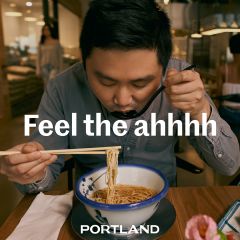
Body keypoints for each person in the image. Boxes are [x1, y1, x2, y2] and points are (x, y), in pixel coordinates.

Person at [0, 0, 239, 193]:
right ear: (84, 62)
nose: (123, 100)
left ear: (165, 67)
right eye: (106, 81)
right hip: (92, 204)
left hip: (162, 200)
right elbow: (43, 172)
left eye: (140, 82)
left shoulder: (181, 79)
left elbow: (229, 165)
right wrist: (31, 171)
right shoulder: (63, 87)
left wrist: (200, 113)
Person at [218, 33, 240, 142]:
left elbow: (218, 97)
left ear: (231, 50)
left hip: (226, 116)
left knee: (229, 146)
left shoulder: (223, 69)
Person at [36, 23, 63, 88]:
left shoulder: (56, 42)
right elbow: (38, 57)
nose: (46, 31)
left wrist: (61, 69)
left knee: (52, 83)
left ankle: (53, 97)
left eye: (47, 29)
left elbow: (60, 57)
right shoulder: (41, 43)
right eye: (44, 30)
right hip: (44, 66)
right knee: (46, 85)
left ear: (51, 30)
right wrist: (38, 69)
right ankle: (47, 98)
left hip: (54, 67)